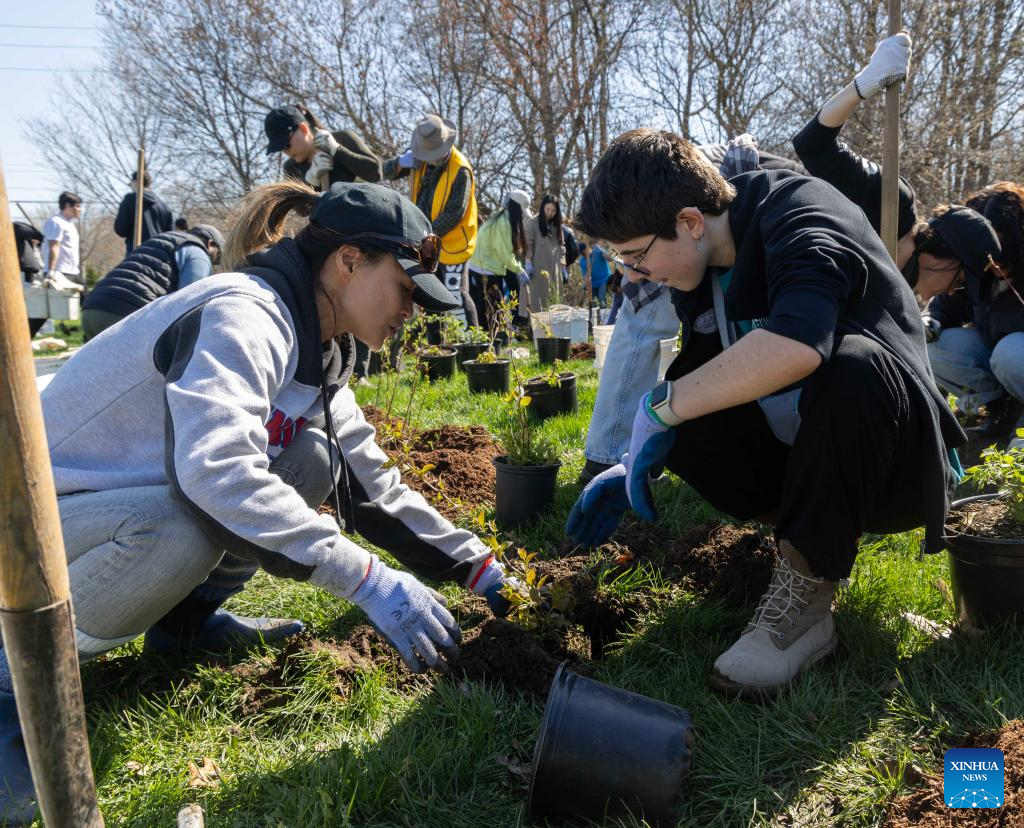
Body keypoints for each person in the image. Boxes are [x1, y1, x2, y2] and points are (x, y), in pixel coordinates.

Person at [0, 180, 518, 824]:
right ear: (349, 262)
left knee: (315, 458)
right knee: (182, 525)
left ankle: (184, 628)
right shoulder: (243, 317)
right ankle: (12, 683)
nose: (411, 311)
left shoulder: (321, 356)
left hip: (107, 524)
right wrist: (365, 579)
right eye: (405, 289)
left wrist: (480, 569)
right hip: (31, 540)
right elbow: (214, 473)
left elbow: (374, 487)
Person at [567, 128, 964, 697]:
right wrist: (638, 454)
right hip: (810, 457)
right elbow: (708, 373)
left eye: (636, 255)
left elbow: (799, 345)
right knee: (687, 406)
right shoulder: (702, 269)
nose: (632, 274)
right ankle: (802, 538)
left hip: (895, 463)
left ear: (690, 222)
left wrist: (662, 407)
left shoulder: (802, 213)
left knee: (852, 365)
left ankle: (806, 597)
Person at [926, 182, 1024, 447]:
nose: (995, 258)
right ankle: (999, 407)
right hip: (996, 359)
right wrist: (930, 321)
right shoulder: (974, 269)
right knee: (936, 346)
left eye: (1004, 245)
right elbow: (945, 308)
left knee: (1009, 353)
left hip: (1014, 358)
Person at [384, 114, 479, 326]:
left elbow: (455, 213)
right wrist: (399, 163)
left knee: (455, 292)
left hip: (452, 243)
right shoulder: (419, 158)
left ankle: (472, 342)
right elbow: (384, 170)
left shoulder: (461, 169)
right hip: (424, 241)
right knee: (429, 294)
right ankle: (435, 343)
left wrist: (426, 235)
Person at [80, 224, 225, 340]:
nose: (213, 264)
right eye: (216, 258)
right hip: (125, 315)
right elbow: (189, 302)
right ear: (210, 244)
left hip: (91, 309)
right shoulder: (198, 253)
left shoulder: (163, 239)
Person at [265, 104, 382, 190]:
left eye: (286, 144)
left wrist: (337, 150)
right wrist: (311, 180)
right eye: (281, 148)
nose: (286, 152)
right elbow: (301, 211)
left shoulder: (342, 138)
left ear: (303, 129)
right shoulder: (291, 168)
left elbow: (375, 174)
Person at [467, 189, 529, 327]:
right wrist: (519, 270)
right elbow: (504, 253)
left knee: (484, 309)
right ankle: (489, 337)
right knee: (491, 310)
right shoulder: (503, 223)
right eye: (521, 212)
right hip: (486, 269)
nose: (521, 216)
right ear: (517, 208)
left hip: (480, 267)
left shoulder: (499, 217)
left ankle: (485, 336)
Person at [523, 194, 565, 313]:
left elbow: (562, 246)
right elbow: (527, 244)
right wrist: (528, 262)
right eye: (548, 209)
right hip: (538, 268)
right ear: (543, 208)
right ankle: (535, 322)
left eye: (553, 211)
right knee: (538, 301)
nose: (550, 213)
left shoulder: (556, 226)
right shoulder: (532, 223)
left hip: (555, 269)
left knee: (554, 300)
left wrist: (563, 266)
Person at [114, 172, 174, 254]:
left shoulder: (130, 200)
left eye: (131, 183)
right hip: (159, 254)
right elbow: (170, 236)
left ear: (136, 182)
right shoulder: (164, 206)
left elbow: (121, 230)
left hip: (136, 253)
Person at [41, 191, 83, 289]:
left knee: (88, 296)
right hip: (59, 272)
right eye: (77, 206)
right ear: (67, 206)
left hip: (72, 271)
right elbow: (54, 246)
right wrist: (51, 271)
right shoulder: (56, 222)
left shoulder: (69, 224)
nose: (80, 210)